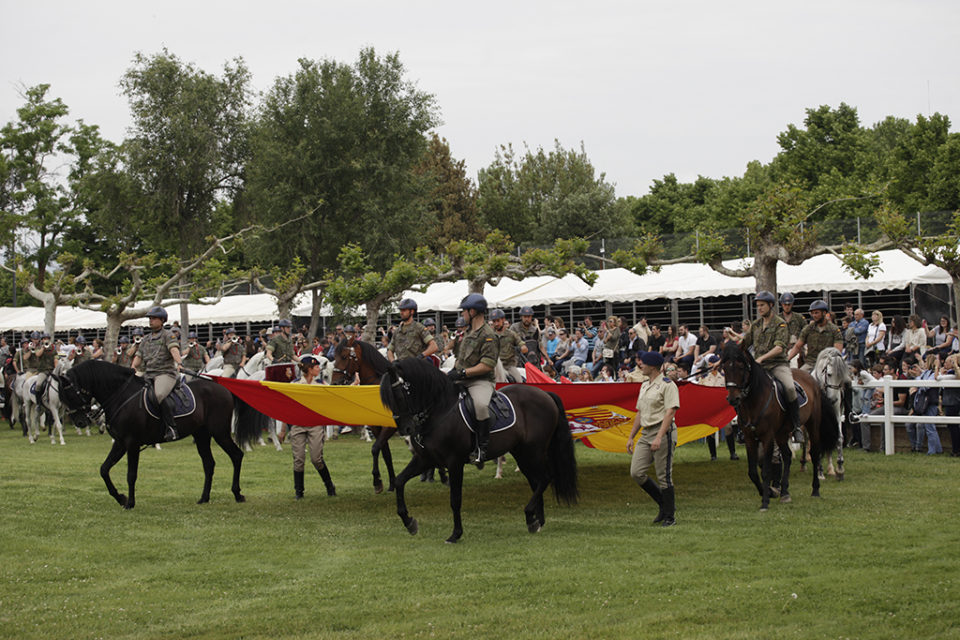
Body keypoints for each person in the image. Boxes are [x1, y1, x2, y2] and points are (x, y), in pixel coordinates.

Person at [741, 291, 804, 444]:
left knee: (789, 388)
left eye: (762, 305)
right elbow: (744, 344)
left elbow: (779, 348)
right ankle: (743, 428)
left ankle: (796, 426)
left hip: (777, 365)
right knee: (742, 389)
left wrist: (761, 358)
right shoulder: (755, 325)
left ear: (771, 305)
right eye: (757, 306)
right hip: (759, 367)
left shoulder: (780, 323)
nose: (759, 308)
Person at [626, 351, 679, 527]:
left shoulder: (667, 385)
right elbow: (640, 412)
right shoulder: (644, 385)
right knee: (637, 472)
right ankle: (662, 504)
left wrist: (659, 437)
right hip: (646, 432)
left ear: (653, 367)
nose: (640, 365)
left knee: (664, 475)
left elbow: (670, 412)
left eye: (644, 363)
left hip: (662, 432)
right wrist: (631, 436)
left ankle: (670, 516)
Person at [446, 294, 498, 464]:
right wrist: (453, 372)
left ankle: (482, 448)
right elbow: (461, 358)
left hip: (481, 381)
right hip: (461, 378)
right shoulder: (467, 333)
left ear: (473, 311)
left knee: (481, 406)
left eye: (464, 312)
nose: (462, 315)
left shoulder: (488, 335)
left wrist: (462, 374)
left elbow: (487, 365)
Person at [279, 355, 336, 499]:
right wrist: (283, 430)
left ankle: (329, 485)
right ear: (310, 370)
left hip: (315, 426)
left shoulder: (321, 384)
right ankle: (299, 492)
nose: (319, 369)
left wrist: (354, 385)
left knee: (316, 458)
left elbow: (337, 394)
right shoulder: (295, 385)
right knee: (298, 459)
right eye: (316, 367)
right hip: (298, 426)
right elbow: (287, 408)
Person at [130, 306, 183, 441]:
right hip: (148, 373)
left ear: (162, 320)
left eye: (154, 318)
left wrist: (179, 363)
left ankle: (171, 428)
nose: (151, 321)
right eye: (150, 318)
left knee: (159, 394)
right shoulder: (146, 339)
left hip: (165, 373)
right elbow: (138, 356)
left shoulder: (168, 335)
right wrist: (132, 368)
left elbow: (174, 350)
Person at [787, 300, 843, 373]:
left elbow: (837, 351)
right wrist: (787, 359)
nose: (814, 315)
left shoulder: (834, 330)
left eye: (816, 313)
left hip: (827, 363)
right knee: (798, 379)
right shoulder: (808, 329)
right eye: (812, 313)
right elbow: (797, 346)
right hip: (810, 363)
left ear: (824, 313)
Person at [490, 309, 524, 383]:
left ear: (503, 320)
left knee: (519, 381)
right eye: (494, 321)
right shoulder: (490, 335)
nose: (496, 324)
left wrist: (523, 347)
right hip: (493, 366)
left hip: (508, 366)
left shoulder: (511, 334)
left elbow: (520, 343)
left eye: (498, 321)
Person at [937, 354, 960, 457]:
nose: (944, 364)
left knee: (954, 428)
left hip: (953, 402)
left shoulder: (953, 374)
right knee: (952, 427)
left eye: (947, 362)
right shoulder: (950, 373)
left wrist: (936, 367)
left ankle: (956, 450)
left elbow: (937, 378)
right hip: (950, 402)